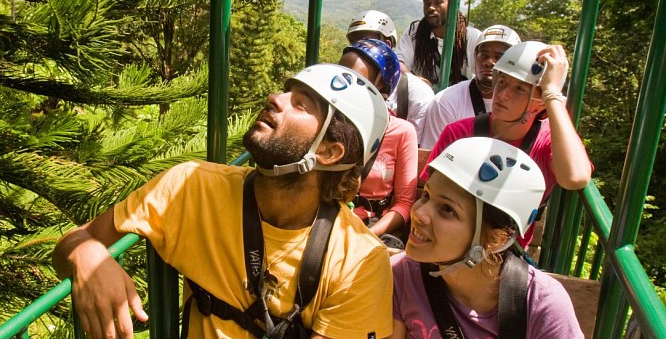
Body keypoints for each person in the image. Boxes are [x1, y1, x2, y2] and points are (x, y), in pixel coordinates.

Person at [52, 64, 394, 339]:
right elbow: (74, 240)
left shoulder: (359, 262)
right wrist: (87, 255)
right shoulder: (191, 187)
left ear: (328, 152)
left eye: (300, 104)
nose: (276, 98)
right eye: (286, 91)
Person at [390, 137, 584, 338]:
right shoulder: (402, 276)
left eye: (448, 210)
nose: (419, 214)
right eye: (426, 196)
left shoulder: (541, 305)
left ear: (496, 240)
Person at [421, 41, 593, 248]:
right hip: (447, 244)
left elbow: (575, 177)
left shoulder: (545, 143)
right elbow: (429, 193)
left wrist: (552, 94)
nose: (502, 95)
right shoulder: (459, 133)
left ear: (540, 101)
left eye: (520, 89)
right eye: (502, 83)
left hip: (506, 253)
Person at [338, 39, 418, 240]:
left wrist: (368, 235)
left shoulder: (401, 132)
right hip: (332, 219)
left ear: (380, 86)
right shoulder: (332, 123)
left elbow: (404, 203)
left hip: (372, 225)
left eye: (356, 80)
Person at [420, 25, 521, 149]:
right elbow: (431, 157)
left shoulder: (527, 106)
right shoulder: (446, 102)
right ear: (474, 58)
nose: (489, 62)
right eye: (483, 55)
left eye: (499, 57)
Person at [397, 0, 481, 88]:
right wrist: (415, 81)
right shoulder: (414, 32)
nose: (431, 7)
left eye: (438, 2)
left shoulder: (472, 36)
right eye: (427, 3)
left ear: (453, 5)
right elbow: (398, 63)